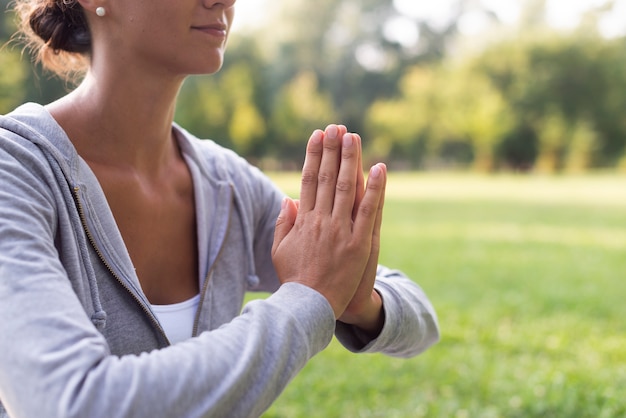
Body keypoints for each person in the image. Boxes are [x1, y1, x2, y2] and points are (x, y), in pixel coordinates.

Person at [0, 0, 440, 416]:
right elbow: (68, 404)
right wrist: (309, 300)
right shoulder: (14, 171)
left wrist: (357, 298)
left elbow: (420, 317)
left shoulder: (226, 184)